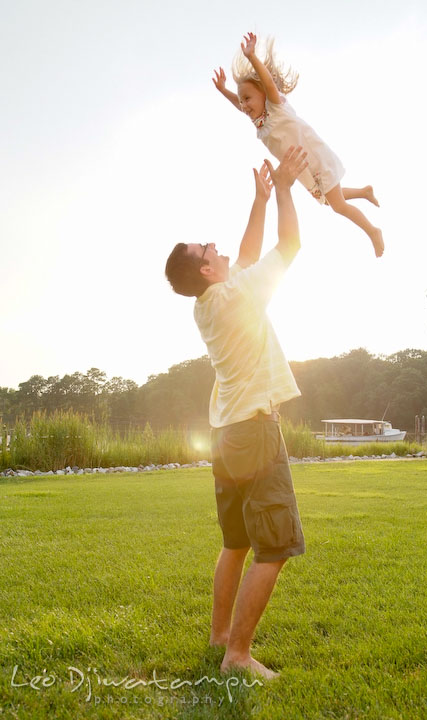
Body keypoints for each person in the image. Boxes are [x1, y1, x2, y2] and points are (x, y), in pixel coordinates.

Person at [165, 146, 308, 679]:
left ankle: (220, 634)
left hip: (227, 434)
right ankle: (238, 655)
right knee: (273, 548)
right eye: (209, 246)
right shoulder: (234, 297)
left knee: (235, 542)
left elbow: (246, 256)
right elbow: (288, 246)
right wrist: (288, 189)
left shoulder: (211, 301)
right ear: (206, 266)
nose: (217, 245)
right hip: (253, 429)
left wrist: (259, 199)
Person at [212, 32, 384, 258]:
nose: (244, 105)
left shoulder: (275, 107)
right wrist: (225, 91)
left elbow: (269, 85)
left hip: (316, 158)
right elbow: (239, 105)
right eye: (242, 100)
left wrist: (252, 57)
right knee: (328, 200)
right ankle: (364, 191)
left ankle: (372, 231)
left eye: (248, 98)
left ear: (264, 93)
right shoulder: (260, 121)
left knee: (338, 205)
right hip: (304, 167)